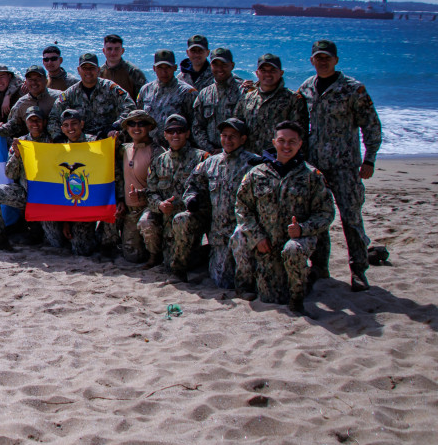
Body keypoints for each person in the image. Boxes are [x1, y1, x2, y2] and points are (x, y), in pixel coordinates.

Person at [298, 39, 382, 291]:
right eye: (318, 57)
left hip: (345, 165)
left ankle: (358, 271)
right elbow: (299, 124)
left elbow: (371, 125)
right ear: (312, 60)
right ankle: (320, 266)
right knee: (319, 218)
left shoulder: (353, 89)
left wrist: (370, 159)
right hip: (316, 167)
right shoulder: (306, 89)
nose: (322, 61)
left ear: (336, 60)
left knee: (351, 219)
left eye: (327, 57)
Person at [232, 122, 335, 311]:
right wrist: (257, 237)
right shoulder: (257, 174)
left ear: (300, 144)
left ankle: (298, 300)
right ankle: (248, 283)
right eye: (282, 141)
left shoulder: (312, 175)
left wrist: (303, 229)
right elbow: (242, 207)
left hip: (297, 243)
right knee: (271, 297)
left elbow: (326, 213)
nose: (286, 146)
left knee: (293, 251)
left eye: (292, 142)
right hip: (267, 245)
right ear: (274, 142)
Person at [176, 118, 260, 288]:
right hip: (219, 235)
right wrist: (191, 199)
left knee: (247, 282)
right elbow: (192, 185)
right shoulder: (210, 163)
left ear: (243, 139)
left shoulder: (254, 164)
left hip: (245, 232)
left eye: (233, 136)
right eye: (224, 136)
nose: (227, 140)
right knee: (222, 281)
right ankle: (200, 256)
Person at [138, 114, 207, 275]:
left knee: (182, 262)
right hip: (165, 215)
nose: (175, 135)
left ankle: (180, 271)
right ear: (165, 135)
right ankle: (155, 255)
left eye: (180, 131)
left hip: (189, 218)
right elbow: (151, 192)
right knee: (145, 221)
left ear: (187, 133)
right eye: (171, 132)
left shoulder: (201, 159)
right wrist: (160, 205)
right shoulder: (159, 161)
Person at [0, 108, 48, 251]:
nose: (35, 124)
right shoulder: (20, 142)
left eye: (38, 120)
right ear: (26, 123)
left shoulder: (53, 141)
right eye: (31, 120)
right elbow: (10, 174)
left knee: (54, 241)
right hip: (25, 193)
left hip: (48, 198)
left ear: (44, 122)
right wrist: (17, 157)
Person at [42, 110, 99, 255]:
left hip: (89, 202)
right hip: (68, 201)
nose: (70, 128)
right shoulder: (60, 150)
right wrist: (66, 220)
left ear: (82, 124)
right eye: (66, 125)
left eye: (74, 124)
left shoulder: (96, 143)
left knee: (81, 250)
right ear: (61, 129)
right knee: (55, 241)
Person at [233, 53, 308, 157]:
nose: (268, 74)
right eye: (263, 71)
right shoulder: (247, 97)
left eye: (272, 71)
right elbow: (237, 128)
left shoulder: (293, 99)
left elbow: (300, 136)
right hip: (250, 160)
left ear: (281, 73)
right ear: (257, 73)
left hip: (279, 161)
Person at [114, 110, 164, 263]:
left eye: (141, 124)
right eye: (132, 124)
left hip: (149, 208)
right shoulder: (124, 149)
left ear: (149, 127)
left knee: (146, 225)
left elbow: (161, 187)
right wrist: (121, 199)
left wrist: (143, 194)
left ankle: (155, 256)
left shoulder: (158, 152)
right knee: (132, 257)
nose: (136, 127)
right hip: (130, 210)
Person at [47, 53, 135, 140]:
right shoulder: (70, 94)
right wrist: (58, 137)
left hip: (108, 139)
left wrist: (115, 126)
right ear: (78, 70)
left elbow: (130, 107)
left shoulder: (110, 88)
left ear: (98, 70)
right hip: (81, 143)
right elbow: (53, 117)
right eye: (84, 68)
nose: (88, 71)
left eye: (92, 68)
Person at [136, 49, 197, 144]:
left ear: (175, 68)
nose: (164, 72)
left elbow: (195, 126)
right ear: (154, 68)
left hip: (176, 149)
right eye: (160, 67)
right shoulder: (146, 90)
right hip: (151, 148)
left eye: (168, 67)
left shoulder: (187, 92)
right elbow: (139, 119)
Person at [191, 48, 243, 153]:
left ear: (232, 66)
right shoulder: (204, 94)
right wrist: (210, 150)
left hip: (238, 153)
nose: (220, 69)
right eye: (216, 65)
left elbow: (248, 127)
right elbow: (197, 127)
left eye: (224, 64)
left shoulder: (243, 92)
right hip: (211, 155)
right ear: (211, 67)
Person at [5, 65, 58, 137]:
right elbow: (12, 126)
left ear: (46, 81)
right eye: (30, 80)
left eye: (38, 79)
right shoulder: (21, 104)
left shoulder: (58, 98)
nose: (34, 82)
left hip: (58, 143)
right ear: (25, 83)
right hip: (33, 144)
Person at [100, 34, 147, 101]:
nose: (113, 52)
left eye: (116, 49)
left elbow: (143, 97)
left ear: (122, 51)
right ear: (104, 51)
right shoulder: (99, 73)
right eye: (109, 49)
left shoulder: (133, 72)